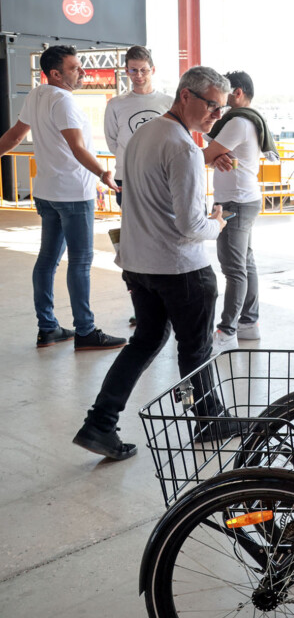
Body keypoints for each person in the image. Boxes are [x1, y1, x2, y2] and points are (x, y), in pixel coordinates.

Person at [72, 67, 235, 461]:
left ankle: (100, 423)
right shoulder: (183, 147)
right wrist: (217, 223)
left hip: (140, 263)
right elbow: (190, 225)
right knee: (195, 350)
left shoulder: (144, 135)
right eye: (211, 105)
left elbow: (151, 190)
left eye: (222, 109)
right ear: (185, 95)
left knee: (145, 341)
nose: (216, 115)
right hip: (180, 268)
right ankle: (210, 422)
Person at [0, 45, 125, 351]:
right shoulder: (64, 101)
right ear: (55, 74)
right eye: (74, 68)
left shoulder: (37, 95)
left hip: (47, 192)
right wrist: (103, 173)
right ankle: (85, 331)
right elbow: (77, 147)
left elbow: (15, 136)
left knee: (47, 260)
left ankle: (48, 329)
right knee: (80, 262)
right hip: (73, 193)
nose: (82, 72)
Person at [205, 71, 276, 351]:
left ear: (237, 92)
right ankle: (248, 323)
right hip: (243, 198)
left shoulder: (238, 122)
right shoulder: (246, 120)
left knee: (234, 268)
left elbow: (206, 154)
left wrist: (212, 155)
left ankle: (227, 330)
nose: (219, 99)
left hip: (234, 201)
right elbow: (214, 154)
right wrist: (216, 155)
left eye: (223, 92)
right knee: (245, 263)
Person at [105, 46, 173, 207]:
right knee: (130, 222)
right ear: (126, 71)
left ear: (153, 70)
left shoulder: (169, 102)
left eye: (144, 70)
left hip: (161, 176)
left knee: (163, 220)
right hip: (126, 176)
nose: (139, 75)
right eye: (133, 70)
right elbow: (112, 142)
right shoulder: (115, 104)